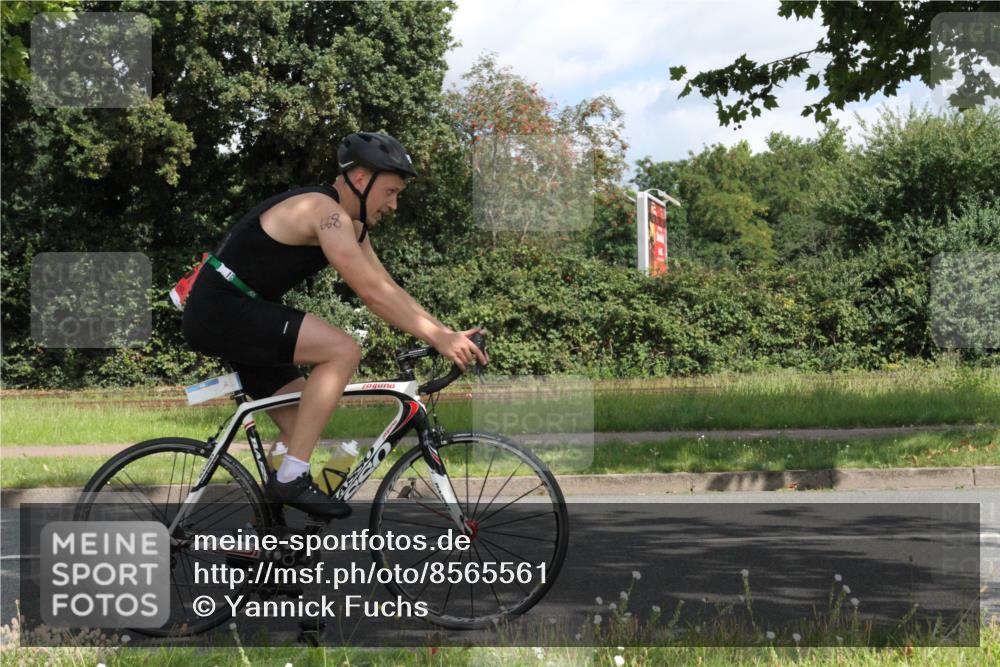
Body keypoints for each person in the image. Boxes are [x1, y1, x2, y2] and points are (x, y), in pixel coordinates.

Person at [181, 131, 488, 519]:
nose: (394, 204)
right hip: (222, 308)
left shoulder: (352, 227)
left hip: (242, 313)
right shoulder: (323, 211)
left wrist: (446, 333)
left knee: (300, 427)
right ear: (361, 180)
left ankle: (266, 541)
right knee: (342, 350)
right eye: (390, 191)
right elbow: (370, 294)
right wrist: (439, 338)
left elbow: (386, 287)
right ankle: (292, 476)